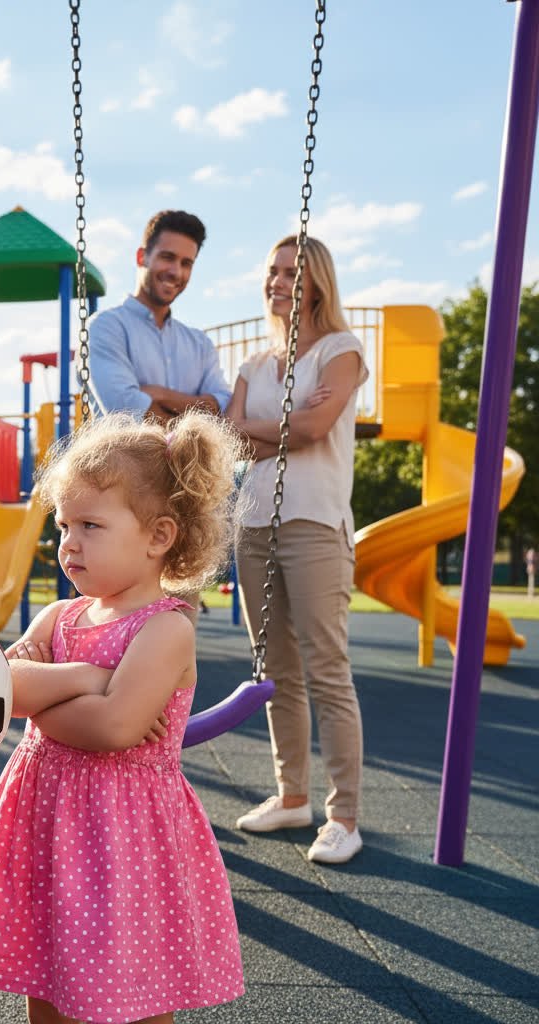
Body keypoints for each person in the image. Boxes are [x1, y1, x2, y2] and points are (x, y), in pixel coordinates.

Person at [0, 410, 245, 1024]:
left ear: (158, 536)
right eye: (63, 526)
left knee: (136, 985)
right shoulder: (59, 617)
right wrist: (90, 680)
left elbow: (113, 730)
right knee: (49, 974)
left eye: (90, 525)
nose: (69, 544)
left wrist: (43, 696)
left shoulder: (165, 629)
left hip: (124, 834)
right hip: (49, 824)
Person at [225, 235, 368, 865]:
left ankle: (345, 815)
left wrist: (270, 433)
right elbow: (233, 440)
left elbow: (313, 430)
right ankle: (291, 797)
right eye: (273, 271)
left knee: (327, 670)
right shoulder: (255, 366)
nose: (279, 280)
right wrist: (276, 433)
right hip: (254, 523)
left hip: (314, 523)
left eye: (292, 271)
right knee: (275, 671)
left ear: (318, 282)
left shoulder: (342, 352)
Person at [84, 209, 231, 424]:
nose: (176, 272)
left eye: (186, 263)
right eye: (167, 257)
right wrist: (196, 415)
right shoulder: (104, 328)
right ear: (142, 257)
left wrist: (160, 395)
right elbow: (127, 413)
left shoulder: (201, 344)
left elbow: (223, 409)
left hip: (190, 459)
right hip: (124, 458)